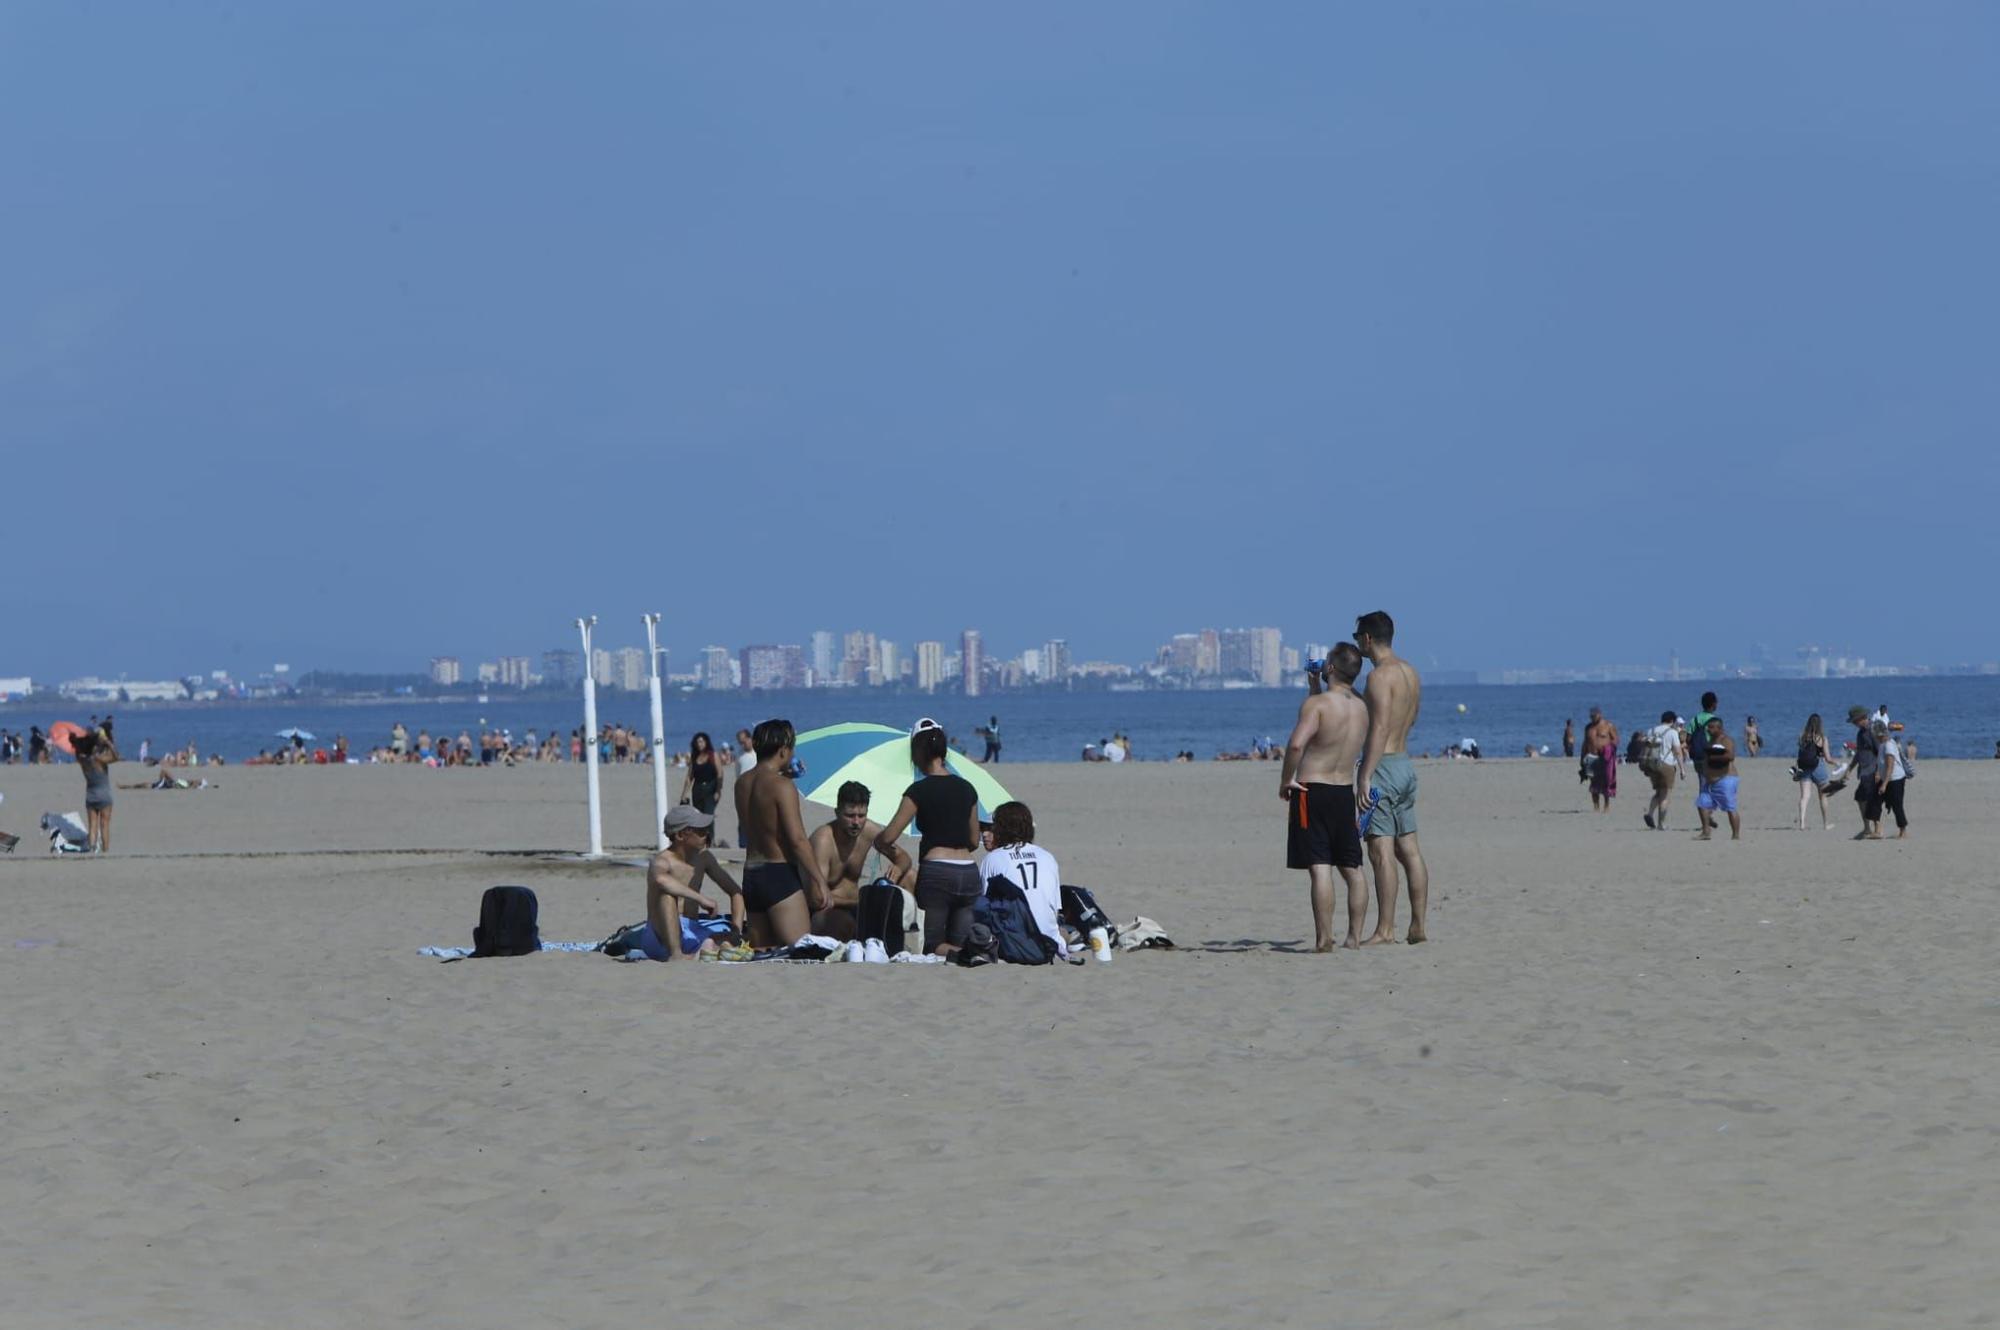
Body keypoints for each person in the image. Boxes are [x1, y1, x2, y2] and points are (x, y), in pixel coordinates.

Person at [1279, 643, 1370, 951]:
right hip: (1344, 790)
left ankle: (1323, 939)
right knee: (1352, 869)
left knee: (1320, 867)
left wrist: (1286, 780)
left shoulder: (1317, 706)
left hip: (1312, 789)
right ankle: (1354, 937)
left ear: (1330, 667)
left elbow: (1296, 745)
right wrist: (1316, 685)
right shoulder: (1361, 707)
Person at [875, 718, 983, 955]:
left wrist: (879, 843)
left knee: (933, 946)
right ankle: (977, 951)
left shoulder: (918, 791)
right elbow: (974, 841)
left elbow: (890, 835)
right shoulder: (967, 788)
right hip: (968, 871)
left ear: (917, 752)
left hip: (937, 874)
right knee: (961, 945)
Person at [1354, 611, 1430, 945]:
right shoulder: (1410, 672)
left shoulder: (1378, 676)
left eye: (1358, 638)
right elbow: (1407, 716)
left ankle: (1385, 929)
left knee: (1380, 851)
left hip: (1383, 765)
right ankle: (1418, 924)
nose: (1358, 645)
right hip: (1404, 762)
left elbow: (1380, 726)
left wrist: (1364, 776)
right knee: (1409, 849)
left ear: (1368, 638)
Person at [733, 719, 830, 947]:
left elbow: (758, 820)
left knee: (763, 953)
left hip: (752, 873)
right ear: (784, 750)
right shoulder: (782, 787)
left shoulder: (742, 783)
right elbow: (797, 840)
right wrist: (819, 881)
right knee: (799, 950)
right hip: (778, 874)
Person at [627, 805, 744, 961]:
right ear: (681, 835)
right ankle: (676, 955)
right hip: (659, 936)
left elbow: (735, 892)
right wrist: (700, 899)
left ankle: (701, 951)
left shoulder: (704, 858)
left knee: (736, 938)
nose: (706, 835)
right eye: (700, 831)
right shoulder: (662, 861)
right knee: (667, 895)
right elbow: (661, 880)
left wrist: (736, 931)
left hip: (692, 930)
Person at [808, 780, 916, 941]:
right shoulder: (823, 839)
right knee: (844, 924)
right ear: (837, 812)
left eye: (861, 816)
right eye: (850, 816)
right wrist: (861, 902)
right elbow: (817, 898)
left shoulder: (867, 830)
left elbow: (904, 857)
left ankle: (905, 937)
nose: (856, 822)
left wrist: (898, 869)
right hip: (829, 911)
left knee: (910, 876)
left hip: (859, 906)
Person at [980, 800, 1066, 958]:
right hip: (1049, 945)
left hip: (1012, 946)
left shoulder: (993, 859)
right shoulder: (1047, 856)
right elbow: (1054, 909)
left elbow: (983, 908)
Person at [1693, 716, 1741, 841]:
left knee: (1730, 807)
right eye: (1708, 727)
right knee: (1702, 803)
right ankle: (1706, 832)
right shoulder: (1711, 742)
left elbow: (1730, 756)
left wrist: (1713, 758)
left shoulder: (1726, 740)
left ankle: (1735, 835)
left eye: (1711, 727)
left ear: (1719, 728)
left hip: (1726, 778)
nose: (1708, 730)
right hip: (1709, 780)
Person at [73, 727, 119, 852]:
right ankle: (105, 851)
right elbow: (116, 756)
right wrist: (108, 742)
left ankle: (92, 849)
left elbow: (77, 752)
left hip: (90, 795)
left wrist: (77, 743)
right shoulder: (99, 759)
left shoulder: (83, 760)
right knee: (104, 826)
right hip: (104, 795)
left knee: (92, 826)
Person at [1642, 710, 1686, 830]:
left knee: (1658, 792)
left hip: (1652, 765)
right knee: (1666, 794)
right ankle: (1661, 824)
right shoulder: (1672, 732)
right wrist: (1682, 769)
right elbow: (1677, 751)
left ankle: (1650, 813)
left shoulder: (1651, 730)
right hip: (1666, 765)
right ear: (1672, 721)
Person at [1793, 714, 1838, 831]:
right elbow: (1828, 758)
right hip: (1818, 767)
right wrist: (1836, 763)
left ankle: (1802, 823)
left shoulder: (1802, 736)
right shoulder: (1822, 738)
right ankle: (1825, 824)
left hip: (1804, 768)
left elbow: (1800, 754)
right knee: (1823, 796)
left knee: (1804, 797)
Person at [1846, 706, 1882, 838]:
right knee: (1860, 798)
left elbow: (1880, 752)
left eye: (1855, 721)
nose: (1854, 724)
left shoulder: (1873, 730)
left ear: (1862, 718)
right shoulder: (1860, 733)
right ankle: (1867, 828)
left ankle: (1877, 828)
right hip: (1863, 771)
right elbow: (1859, 753)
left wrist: (1878, 771)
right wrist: (1850, 768)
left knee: (1872, 799)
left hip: (1873, 770)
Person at [1876, 720, 1910, 839]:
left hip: (1895, 779)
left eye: (1877, 735)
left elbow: (1890, 767)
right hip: (1887, 778)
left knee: (1897, 805)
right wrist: (1878, 774)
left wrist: (1884, 784)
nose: (1875, 737)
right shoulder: (1882, 744)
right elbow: (1881, 763)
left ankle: (1903, 830)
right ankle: (1878, 830)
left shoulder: (1889, 745)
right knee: (1878, 802)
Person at [1582, 707, 1618, 813]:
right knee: (1594, 783)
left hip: (1605, 758)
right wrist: (1582, 758)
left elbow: (1615, 739)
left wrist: (1609, 749)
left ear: (1600, 715)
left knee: (1606, 782)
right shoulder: (1588, 727)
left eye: (1594, 716)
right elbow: (1585, 743)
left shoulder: (1608, 725)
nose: (1592, 718)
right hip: (1591, 757)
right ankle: (1596, 806)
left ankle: (1606, 806)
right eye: (1591, 716)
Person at [681, 731, 722, 816]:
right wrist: (684, 794)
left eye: (701, 742)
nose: (699, 744)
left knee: (708, 816)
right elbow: (689, 777)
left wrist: (718, 791)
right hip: (697, 789)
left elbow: (720, 774)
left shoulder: (713, 755)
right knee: (698, 817)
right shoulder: (694, 757)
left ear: (706, 742)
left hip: (710, 789)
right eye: (697, 742)